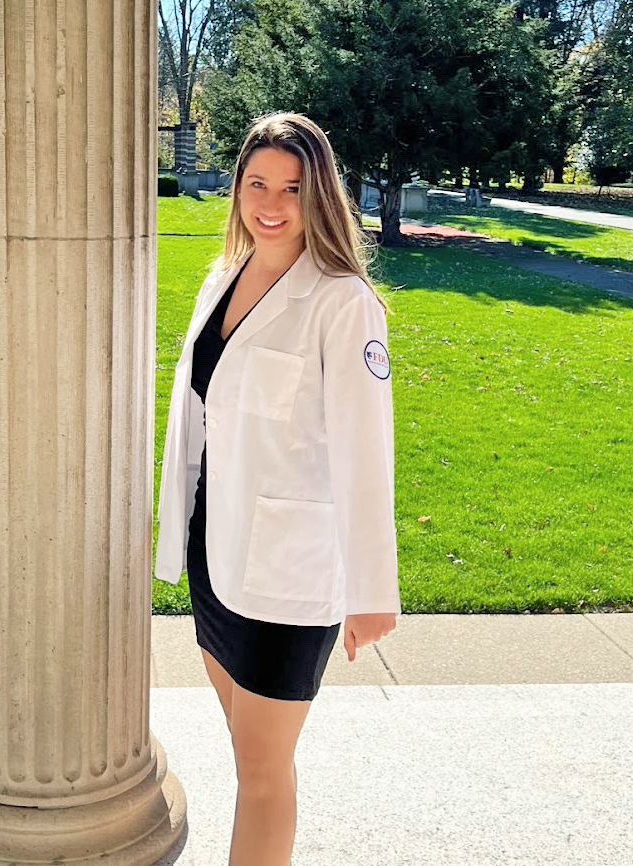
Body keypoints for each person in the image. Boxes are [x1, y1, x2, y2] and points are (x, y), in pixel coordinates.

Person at [154, 111, 402, 866]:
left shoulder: (341, 301)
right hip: (215, 554)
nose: (271, 202)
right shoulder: (222, 276)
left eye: (292, 187)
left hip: (288, 579)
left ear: (319, 195)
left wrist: (371, 592)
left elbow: (366, 453)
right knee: (251, 758)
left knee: (261, 775)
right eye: (256, 183)